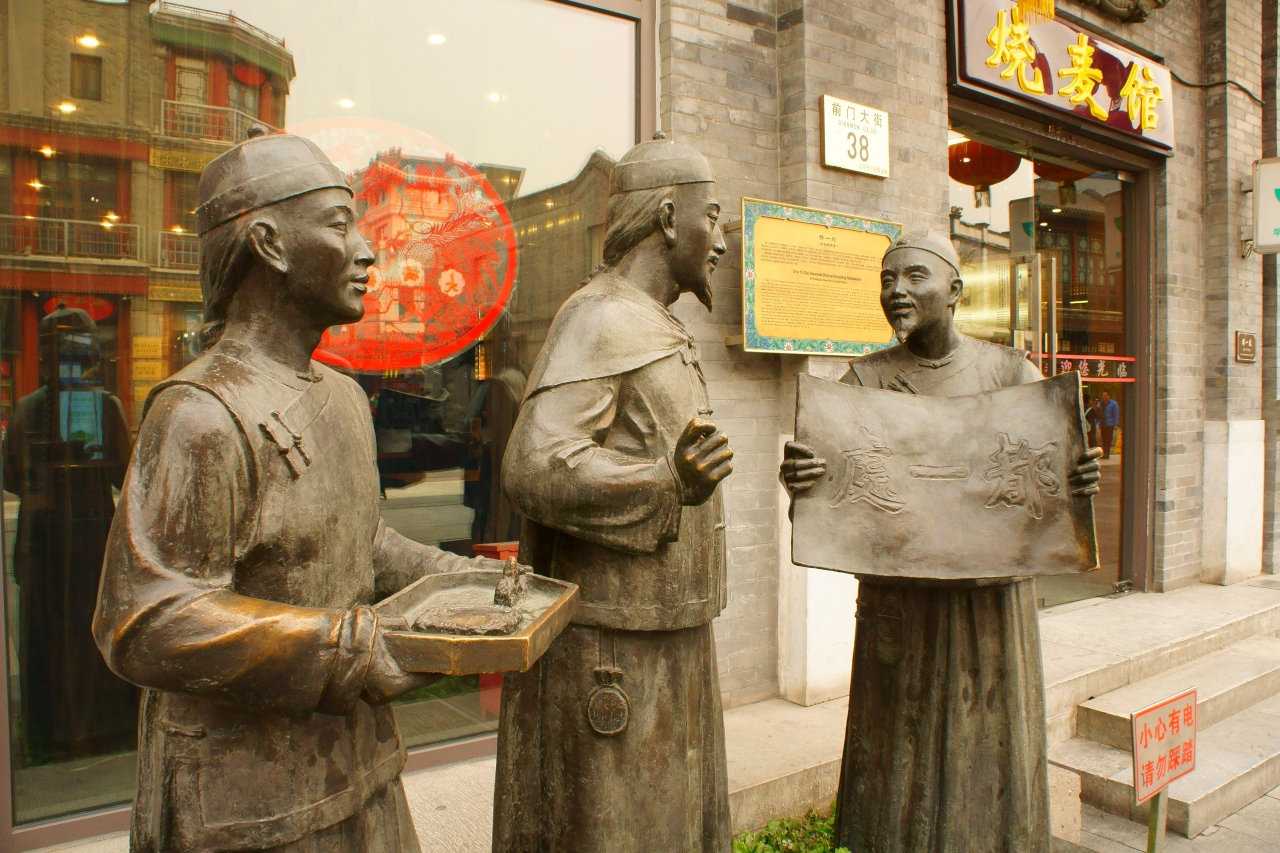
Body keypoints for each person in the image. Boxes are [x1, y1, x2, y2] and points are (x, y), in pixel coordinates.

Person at [93, 128, 511, 853]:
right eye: (339, 224)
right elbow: (146, 618)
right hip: (247, 804)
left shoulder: (344, 396)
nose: (367, 250)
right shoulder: (200, 411)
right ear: (269, 244)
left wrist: (467, 578)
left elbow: (362, 540)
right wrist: (345, 647)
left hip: (359, 763)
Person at [780, 231, 1102, 853]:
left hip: (989, 606)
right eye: (887, 280)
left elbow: (1049, 482)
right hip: (901, 605)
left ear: (954, 291)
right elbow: (836, 486)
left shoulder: (1010, 372)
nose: (896, 291)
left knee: (989, 737)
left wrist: (1076, 481)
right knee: (896, 738)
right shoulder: (865, 379)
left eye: (914, 277)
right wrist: (803, 479)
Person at [494, 133, 734, 852]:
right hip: (613, 652)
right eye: (712, 217)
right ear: (667, 218)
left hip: (667, 638)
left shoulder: (654, 323)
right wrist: (665, 481)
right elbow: (535, 464)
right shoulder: (600, 316)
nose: (722, 241)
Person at [4, 306, 135, 763]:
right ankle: (96, 724)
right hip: (87, 540)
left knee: (51, 635)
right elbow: (127, 475)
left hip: (49, 540)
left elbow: (12, 477)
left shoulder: (27, 408)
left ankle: (52, 727)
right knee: (87, 629)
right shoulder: (103, 405)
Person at [1100, 390, 1120, 458]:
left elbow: (1115, 414)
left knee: (1108, 439)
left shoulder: (1113, 404)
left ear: (1108, 396)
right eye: (1102, 395)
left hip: (1109, 424)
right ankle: (1104, 453)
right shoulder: (1101, 403)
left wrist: (1116, 424)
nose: (1103, 397)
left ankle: (1107, 454)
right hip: (1102, 423)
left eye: (1105, 395)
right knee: (1103, 439)